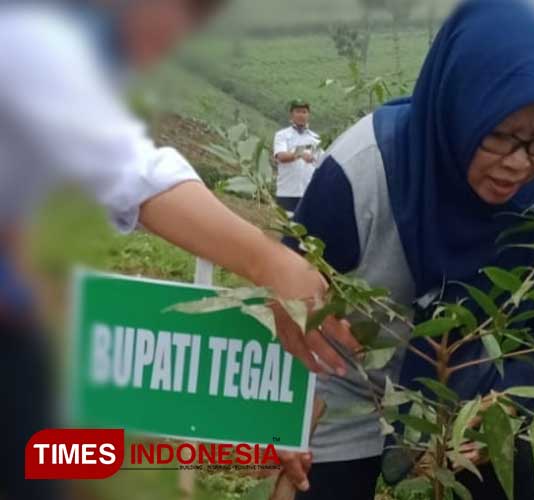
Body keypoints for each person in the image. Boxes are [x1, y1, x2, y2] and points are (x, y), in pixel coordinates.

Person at [0, 2, 357, 498]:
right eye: (187, 11)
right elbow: (134, 175)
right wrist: (271, 261)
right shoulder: (34, 40)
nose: (181, 36)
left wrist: (266, 434)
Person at [280, 1, 534, 498]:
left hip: (473, 397)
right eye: (500, 136)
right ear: (457, 107)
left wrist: (506, 405)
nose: (518, 163)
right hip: (351, 386)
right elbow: (290, 296)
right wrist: (286, 417)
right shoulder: (365, 171)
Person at [273, 99, 322, 215]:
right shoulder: (282, 135)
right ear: (291, 114)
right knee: (287, 228)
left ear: (308, 115)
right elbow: (281, 156)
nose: (301, 115)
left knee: (306, 229)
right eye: (298, 111)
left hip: (308, 193)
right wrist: (299, 154)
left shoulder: (315, 138)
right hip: (287, 192)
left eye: (304, 112)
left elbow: (320, 162)